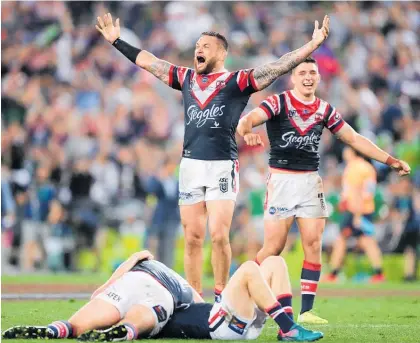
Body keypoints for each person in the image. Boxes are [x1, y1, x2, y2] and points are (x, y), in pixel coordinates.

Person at [95, 13, 330, 298]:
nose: (199, 49)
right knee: (193, 237)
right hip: (191, 165)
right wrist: (117, 41)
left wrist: (313, 45)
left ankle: (220, 297)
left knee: (219, 235)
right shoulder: (185, 78)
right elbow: (150, 62)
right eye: (197, 45)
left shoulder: (237, 81)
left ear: (221, 53)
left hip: (221, 166)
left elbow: (278, 67)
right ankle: (195, 299)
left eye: (205, 45)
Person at [236, 56, 411, 324]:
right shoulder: (279, 102)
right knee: (274, 246)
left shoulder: (324, 110)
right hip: (282, 180)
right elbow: (248, 119)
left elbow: (353, 138)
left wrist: (390, 159)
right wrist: (247, 130)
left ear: (318, 78)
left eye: (312, 73)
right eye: (302, 72)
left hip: (310, 182)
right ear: (293, 78)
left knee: (314, 243)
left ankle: (306, 312)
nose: (308, 77)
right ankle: (240, 292)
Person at [2, 250, 197, 341]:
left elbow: (131, 261)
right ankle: (125, 330)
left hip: (130, 281)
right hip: (162, 292)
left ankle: (57, 329)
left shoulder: (146, 259)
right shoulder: (184, 285)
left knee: (76, 326)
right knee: (138, 318)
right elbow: (205, 313)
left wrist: (104, 288)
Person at [156, 256, 323, 341]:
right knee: (249, 268)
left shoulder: (162, 294)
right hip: (221, 326)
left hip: (234, 321)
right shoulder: (150, 310)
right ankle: (289, 328)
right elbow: (135, 324)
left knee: (275, 262)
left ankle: (287, 329)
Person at [323, 147, 385, 283]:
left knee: (342, 240)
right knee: (366, 241)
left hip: (355, 211)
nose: (344, 152)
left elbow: (356, 191)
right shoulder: (368, 167)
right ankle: (379, 274)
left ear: (352, 151)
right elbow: (366, 191)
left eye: (346, 149)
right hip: (366, 209)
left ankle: (333, 275)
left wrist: (356, 215)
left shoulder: (354, 167)